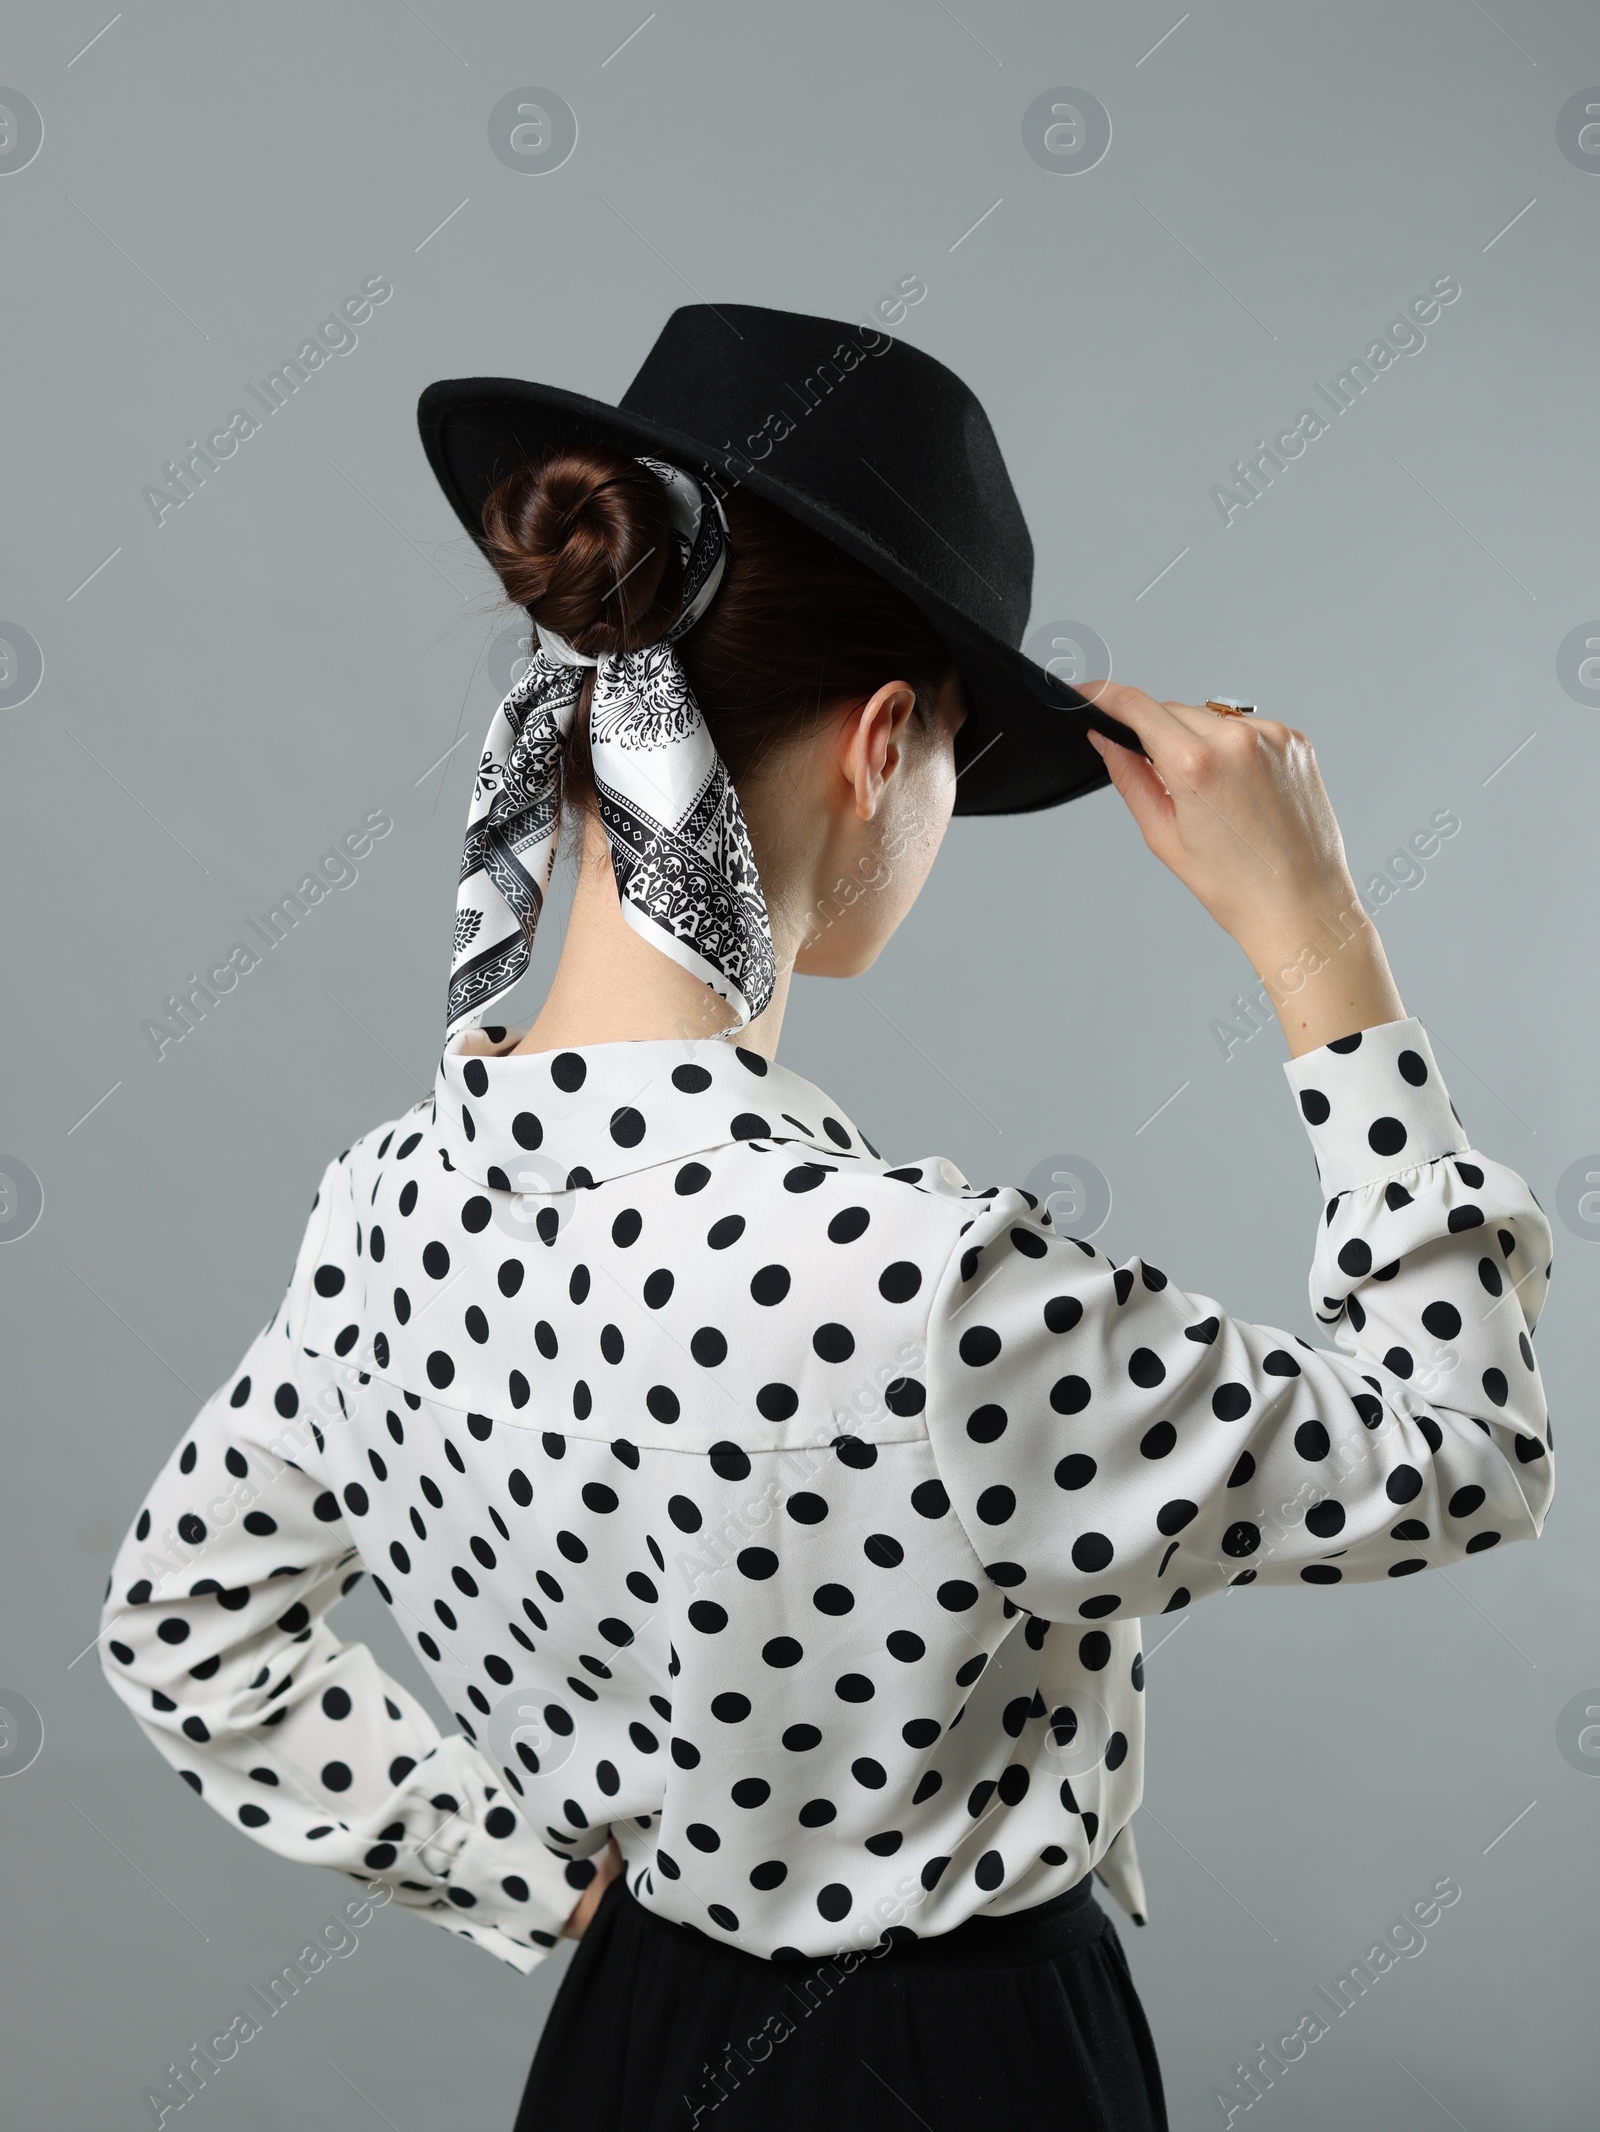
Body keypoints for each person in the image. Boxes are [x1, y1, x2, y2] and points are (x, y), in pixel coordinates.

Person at [99, 307, 1553, 2131]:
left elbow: (183, 1627)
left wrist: (535, 1878)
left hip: (624, 2052)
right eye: (959, 755)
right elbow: (1462, 1454)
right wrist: (1321, 946)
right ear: (882, 742)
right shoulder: (923, 1285)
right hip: (955, 2075)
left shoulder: (380, 1209)